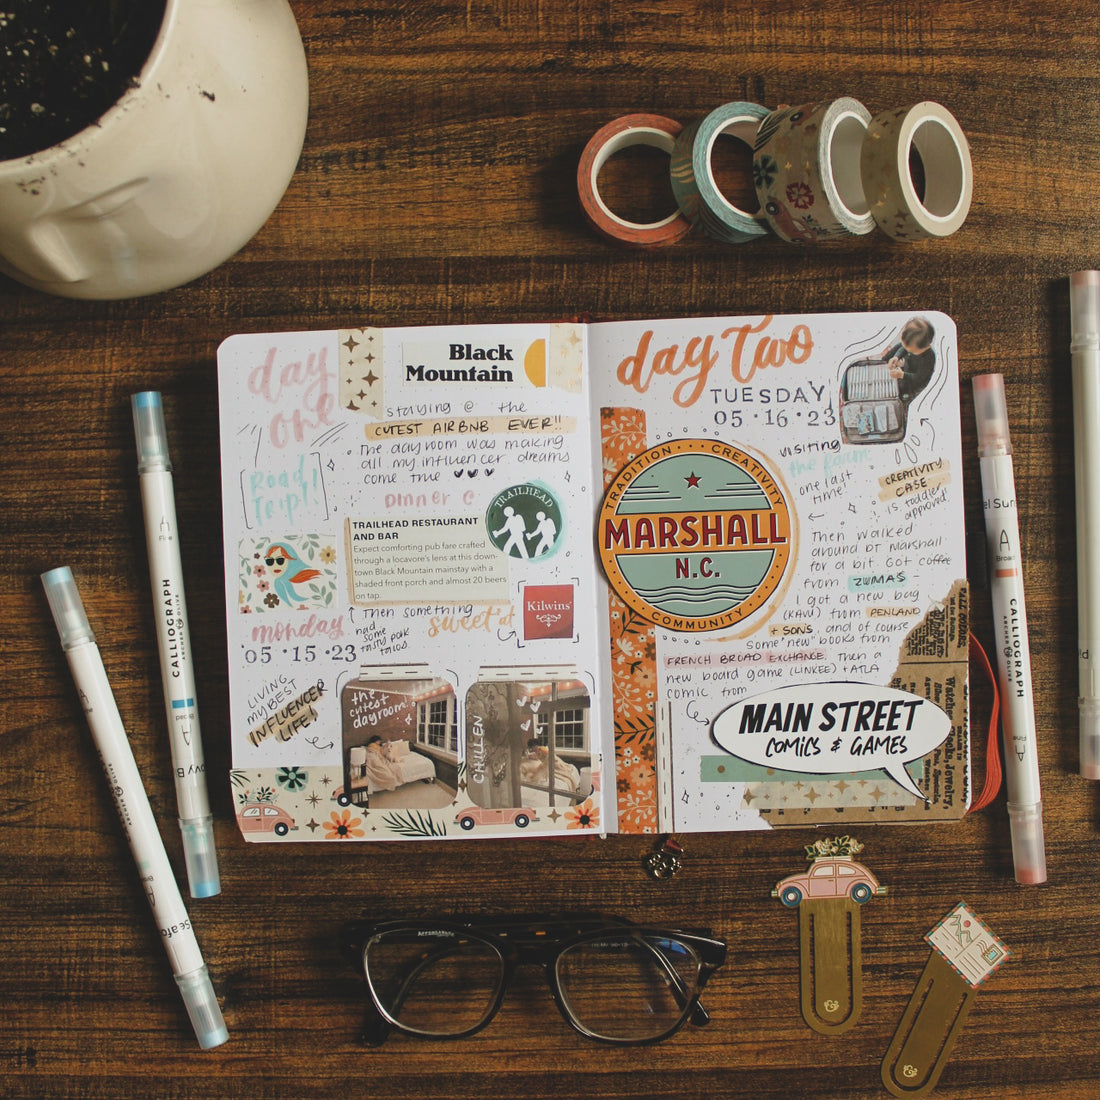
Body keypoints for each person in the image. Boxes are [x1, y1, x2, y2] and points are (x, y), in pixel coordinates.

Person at [882, 317, 936, 403]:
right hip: (907, 369)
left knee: (906, 394)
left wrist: (902, 375)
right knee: (899, 347)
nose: (907, 350)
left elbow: (919, 378)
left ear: (923, 348)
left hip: (915, 382)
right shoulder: (915, 346)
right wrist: (896, 357)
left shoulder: (928, 358)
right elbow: (904, 348)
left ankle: (904, 397)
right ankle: (884, 360)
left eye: (910, 350)